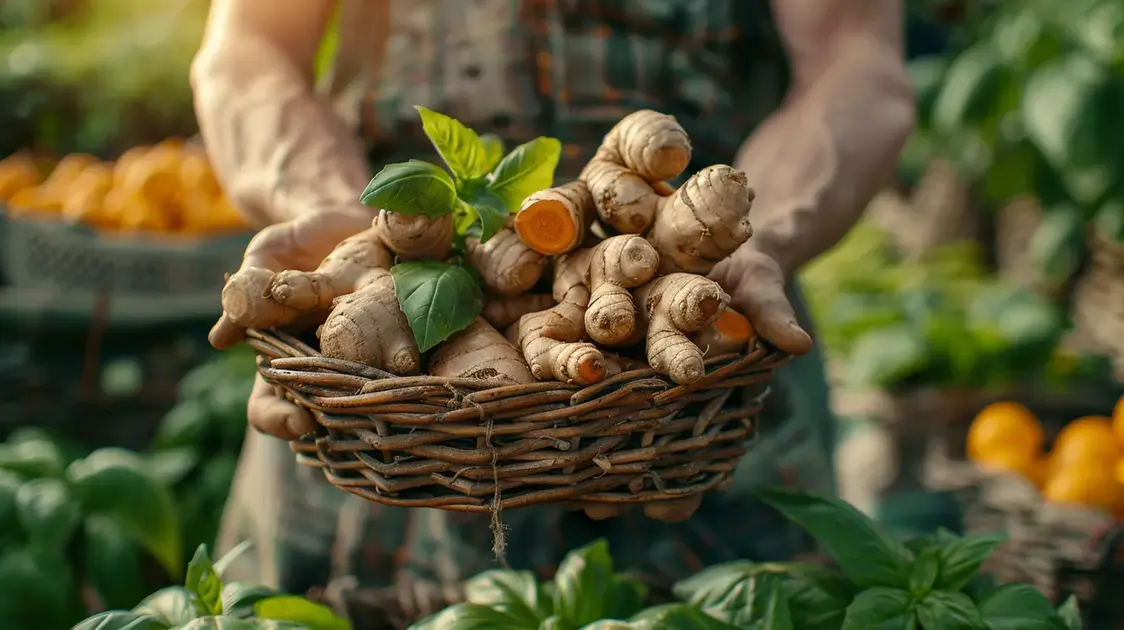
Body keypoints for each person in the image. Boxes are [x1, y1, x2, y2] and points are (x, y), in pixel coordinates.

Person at [191, 0, 915, 619]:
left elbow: (853, 59)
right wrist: (347, 232)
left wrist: (744, 234)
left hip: (703, 386)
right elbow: (249, 50)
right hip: (376, 415)